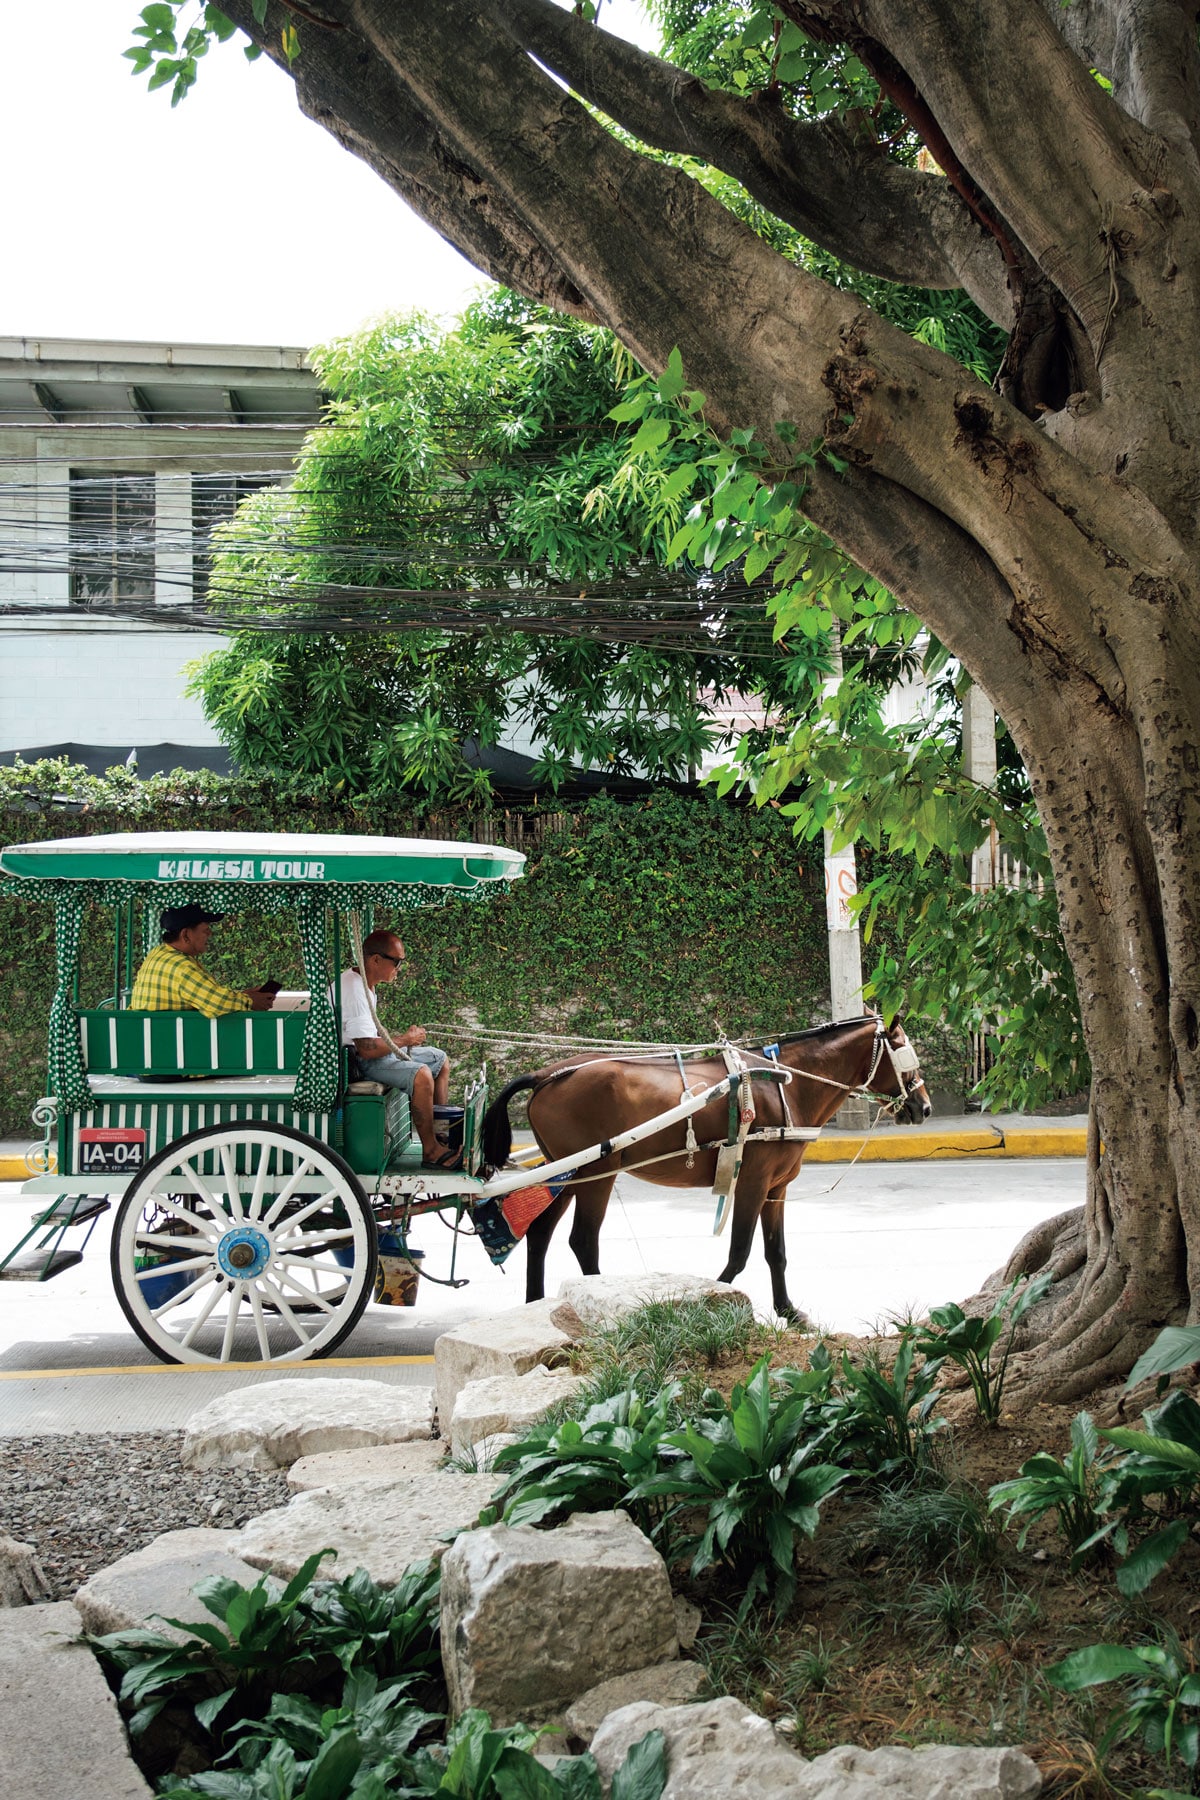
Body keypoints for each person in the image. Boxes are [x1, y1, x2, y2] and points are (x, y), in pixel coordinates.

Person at [332, 928, 457, 1169]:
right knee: (421, 1075)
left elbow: (369, 1035)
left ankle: (440, 1137)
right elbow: (367, 1050)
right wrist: (405, 1039)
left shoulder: (364, 983)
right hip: (356, 1063)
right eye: (397, 962)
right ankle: (430, 1151)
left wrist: (401, 1040)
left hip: (363, 1055)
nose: (399, 969)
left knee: (440, 1060)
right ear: (376, 960)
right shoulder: (355, 990)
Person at [131, 906, 277, 1016]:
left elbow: (206, 995)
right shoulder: (181, 967)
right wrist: (250, 1001)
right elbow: (216, 1002)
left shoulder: (159, 954)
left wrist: (244, 995)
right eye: (206, 930)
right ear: (186, 934)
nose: (210, 934)